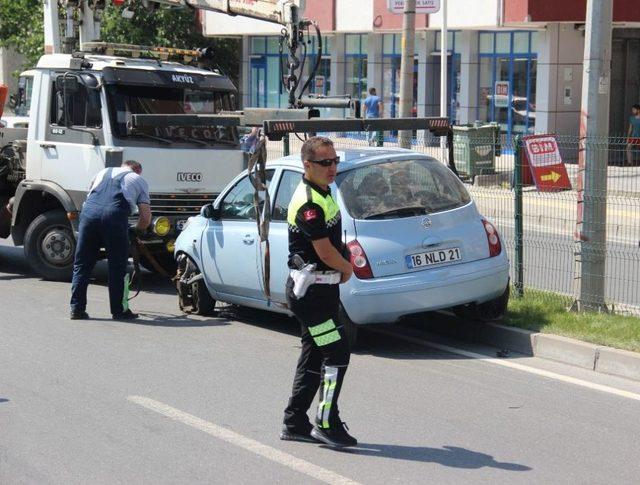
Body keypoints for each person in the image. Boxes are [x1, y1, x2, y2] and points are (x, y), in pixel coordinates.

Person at [280, 136, 357, 448]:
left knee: (314, 355)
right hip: (310, 296)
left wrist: (344, 257)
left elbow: (332, 243)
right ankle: (326, 422)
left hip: (322, 293)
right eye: (325, 163)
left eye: (335, 161)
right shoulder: (309, 203)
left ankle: (295, 421)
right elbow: (324, 252)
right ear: (307, 165)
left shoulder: (324, 191)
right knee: (337, 351)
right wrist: (348, 268)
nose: (332, 168)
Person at [69, 160, 151, 320]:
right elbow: (146, 217)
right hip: (114, 217)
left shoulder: (101, 173)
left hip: (88, 216)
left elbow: (91, 196)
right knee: (117, 267)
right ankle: (118, 311)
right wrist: (135, 230)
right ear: (138, 170)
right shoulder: (138, 179)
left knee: (82, 264)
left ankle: (76, 309)